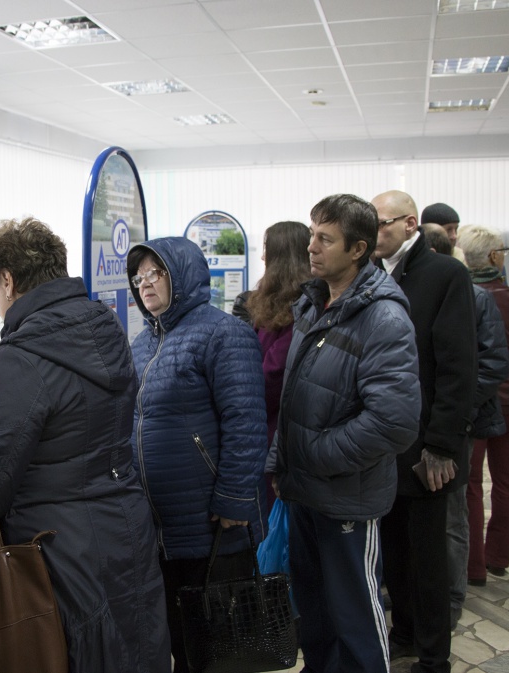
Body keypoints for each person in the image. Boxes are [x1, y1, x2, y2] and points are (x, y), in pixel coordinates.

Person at [0, 218, 170, 672]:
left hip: (59, 551)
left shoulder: (17, 363)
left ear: (8, 281)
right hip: (124, 530)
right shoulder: (107, 331)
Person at [274, 194, 420, 672]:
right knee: (314, 618)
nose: (311, 247)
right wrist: (283, 459)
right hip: (305, 492)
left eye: (324, 239)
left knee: (354, 620)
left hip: (347, 497)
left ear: (358, 249)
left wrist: (314, 454)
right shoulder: (314, 303)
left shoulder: (383, 317)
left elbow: (392, 423)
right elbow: (293, 399)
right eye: (312, 233)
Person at [127, 236, 268, 673]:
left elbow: (246, 422)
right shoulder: (144, 342)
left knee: (221, 647)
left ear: (183, 275)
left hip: (212, 522)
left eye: (157, 273)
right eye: (140, 277)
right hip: (162, 527)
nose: (146, 284)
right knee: (183, 638)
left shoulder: (224, 333)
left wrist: (235, 499)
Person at [372, 190, 477, 673]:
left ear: (410, 223)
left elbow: (457, 367)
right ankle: (406, 634)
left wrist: (441, 445)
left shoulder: (444, 274)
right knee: (394, 553)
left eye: (382, 224)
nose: (374, 234)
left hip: (427, 444)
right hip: (387, 442)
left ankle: (435, 655)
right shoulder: (373, 274)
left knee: (429, 559)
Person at [424, 223, 509, 625]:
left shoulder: (474, 298)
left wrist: (457, 410)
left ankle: (452, 597)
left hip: (457, 426)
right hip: (423, 426)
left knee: (452, 516)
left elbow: (492, 366)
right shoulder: (410, 296)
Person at [457, 225, 509, 587]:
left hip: (475, 402)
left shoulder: (461, 298)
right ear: (494, 257)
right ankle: (497, 556)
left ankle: (473, 567)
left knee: (470, 484)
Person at [240, 220, 311, 510]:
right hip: (263, 424)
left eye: (267, 249)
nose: (261, 256)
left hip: (277, 429)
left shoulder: (300, 306)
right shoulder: (272, 300)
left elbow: (273, 373)